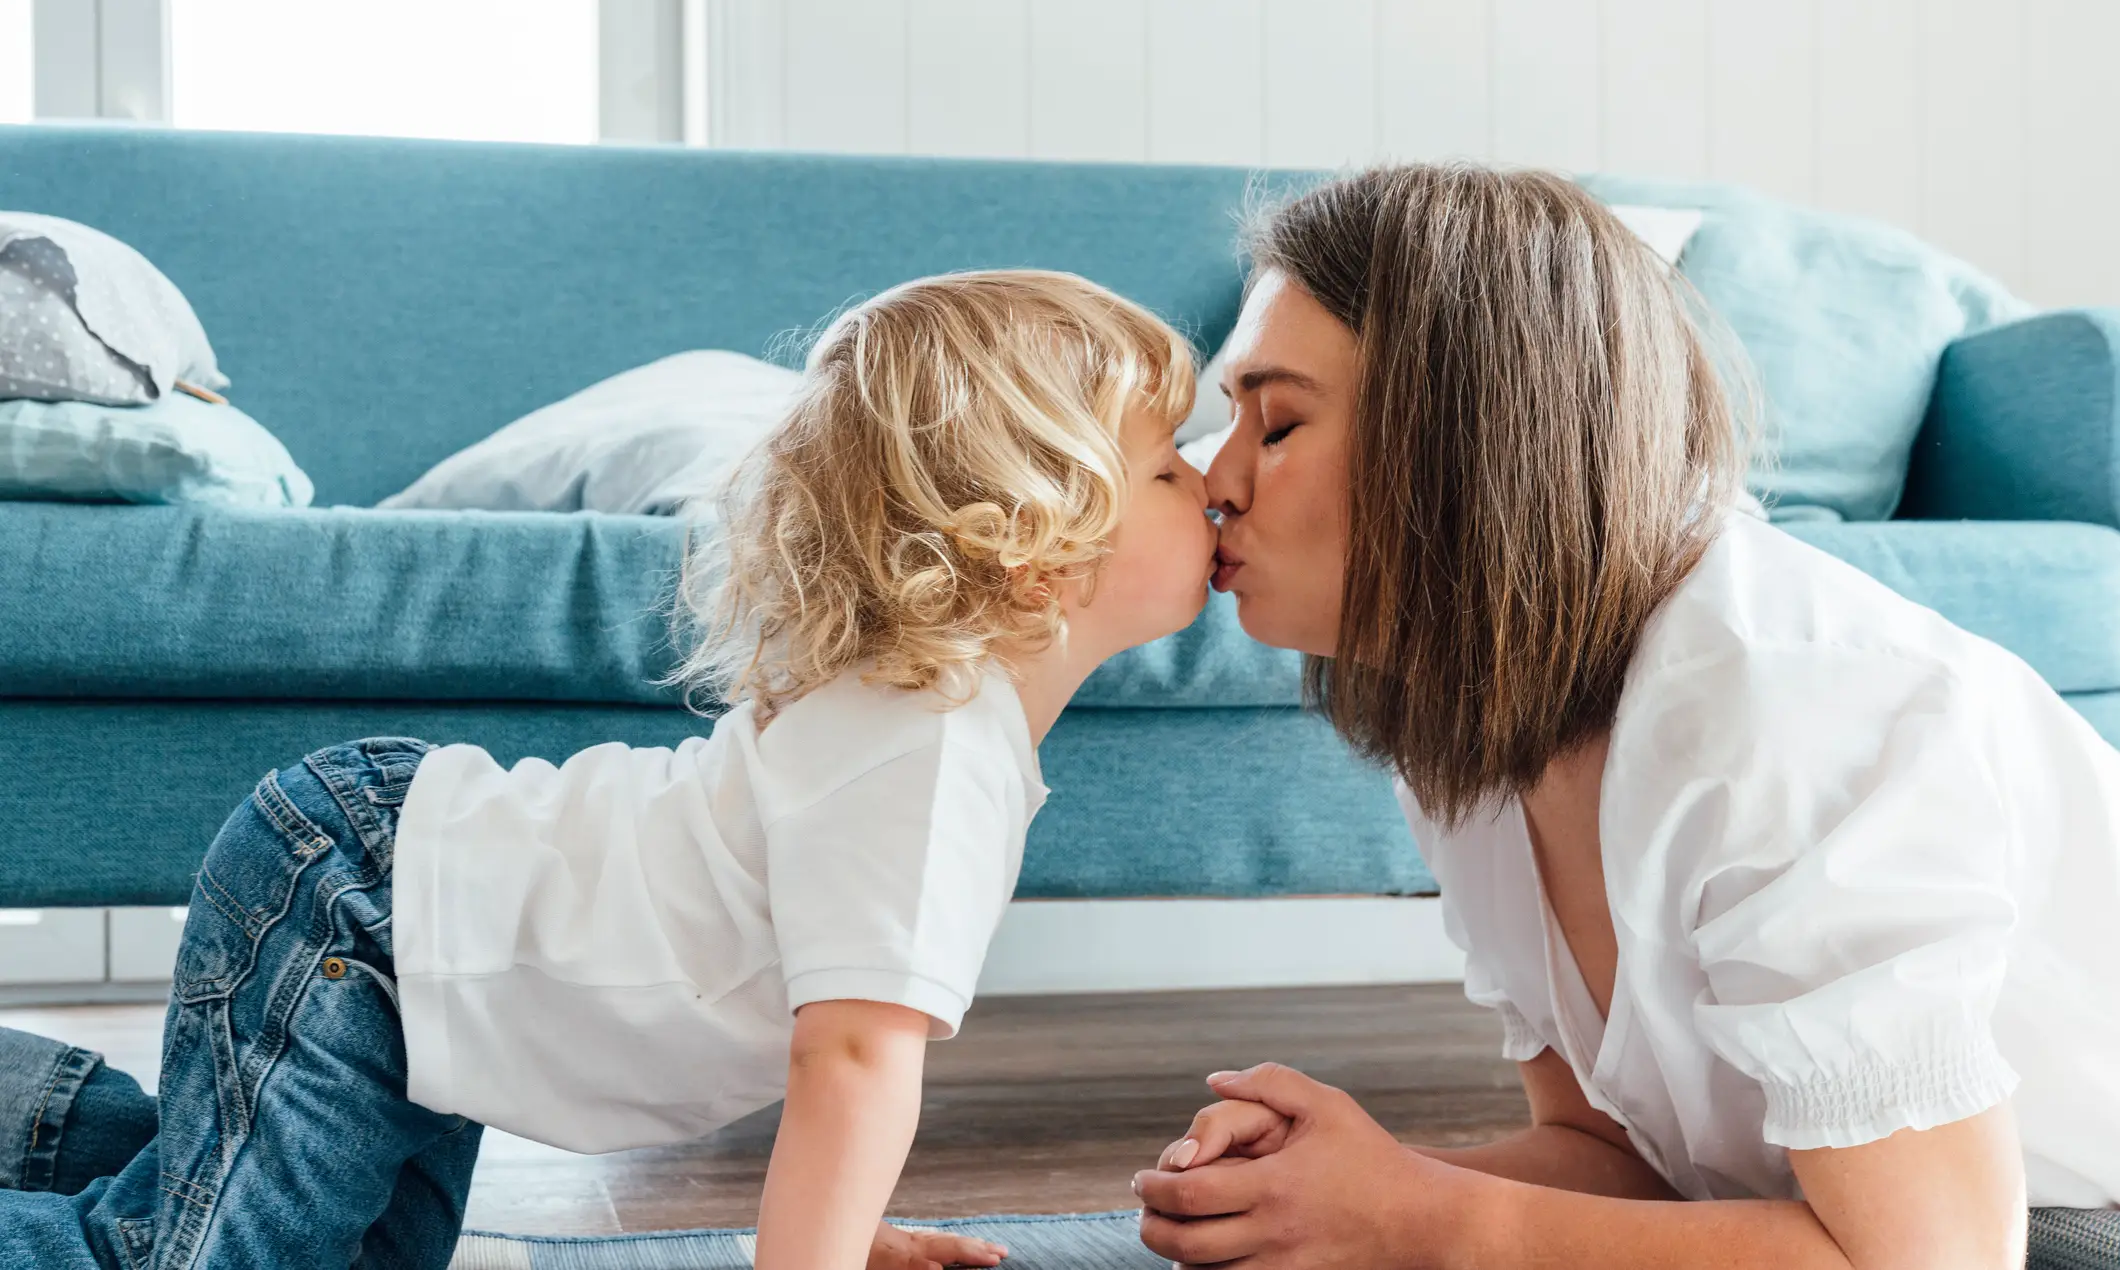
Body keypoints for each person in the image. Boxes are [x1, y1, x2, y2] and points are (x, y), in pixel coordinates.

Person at [0, 270, 1221, 1270]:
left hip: (400, 923)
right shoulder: (927, 746)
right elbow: (851, 1060)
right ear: (1035, 549)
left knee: (343, 1245)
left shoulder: (933, 724)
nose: (1212, 482)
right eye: (1168, 465)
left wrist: (834, 1240)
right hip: (361, 912)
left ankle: (32, 1106)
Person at [1135, 165, 2120, 1270]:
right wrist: (1334, 1189)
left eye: (1275, 424)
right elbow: (1618, 1161)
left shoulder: (1785, 708)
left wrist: (1416, 1214)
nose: (1211, 479)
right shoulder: (1463, 713)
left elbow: (1926, 1261)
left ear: (1467, 437)